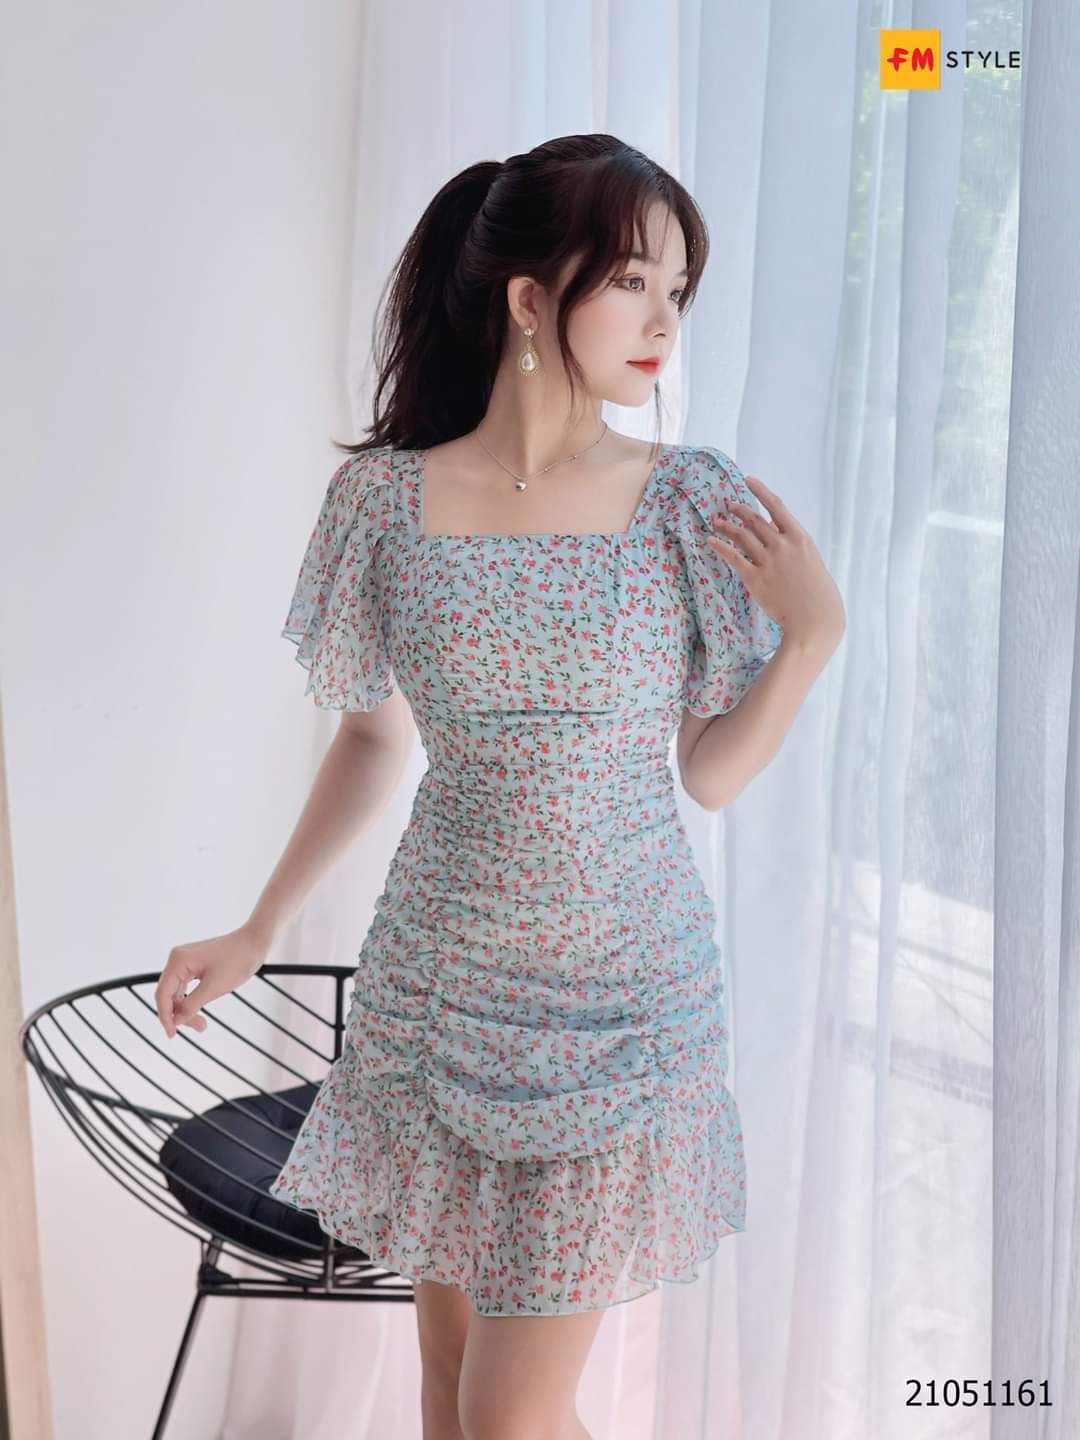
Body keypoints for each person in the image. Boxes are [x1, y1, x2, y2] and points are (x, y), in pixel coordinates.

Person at [155, 133, 844, 1440]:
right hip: (436, 989)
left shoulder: (686, 501)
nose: (665, 321)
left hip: (616, 1003)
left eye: (678, 290)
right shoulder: (381, 502)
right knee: (447, 1382)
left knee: (511, 1416)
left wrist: (811, 639)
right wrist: (257, 927)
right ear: (532, 298)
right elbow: (372, 742)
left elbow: (709, 774)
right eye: (633, 282)